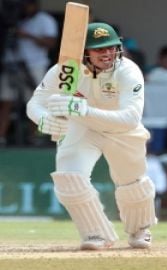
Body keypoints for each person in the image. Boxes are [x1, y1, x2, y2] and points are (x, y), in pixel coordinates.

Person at [26, 22, 157, 250]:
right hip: (82, 128)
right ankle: (96, 234)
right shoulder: (66, 70)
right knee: (68, 179)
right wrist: (45, 120)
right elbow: (35, 104)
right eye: (99, 49)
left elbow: (130, 118)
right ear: (84, 52)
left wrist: (82, 109)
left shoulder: (128, 70)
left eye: (111, 47)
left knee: (131, 182)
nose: (107, 54)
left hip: (121, 130)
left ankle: (140, 229)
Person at [0, 0, 58, 146]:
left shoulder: (45, 20)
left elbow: (51, 43)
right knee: (6, 101)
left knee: (34, 102)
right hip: (12, 63)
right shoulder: (16, 20)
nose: (24, 8)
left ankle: (35, 137)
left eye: (27, 5)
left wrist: (27, 35)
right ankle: (1, 136)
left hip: (34, 65)